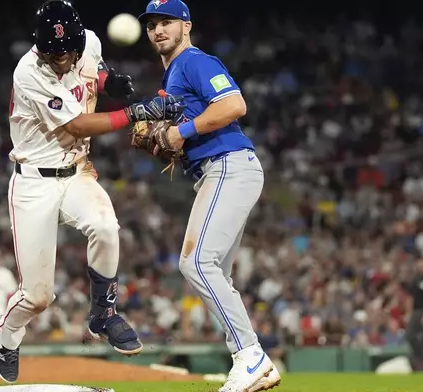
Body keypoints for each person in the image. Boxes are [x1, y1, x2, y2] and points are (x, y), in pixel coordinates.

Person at [0, 0, 186, 384]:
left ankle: (104, 313)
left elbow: (90, 74)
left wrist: (106, 82)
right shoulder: (28, 71)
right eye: (53, 53)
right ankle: (5, 336)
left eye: (68, 51)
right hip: (34, 181)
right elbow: (77, 125)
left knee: (106, 227)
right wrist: (135, 112)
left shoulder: (90, 43)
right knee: (37, 296)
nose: (62, 59)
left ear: (79, 40)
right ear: (39, 47)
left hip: (76, 171)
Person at [138, 0, 281, 391]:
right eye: (152, 24)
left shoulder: (194, 62)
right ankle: (256, 364)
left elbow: (234, 105)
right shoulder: (172, 79)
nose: (158, 30)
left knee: (196, 263)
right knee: (215, 271)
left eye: (167, 21)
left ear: (187, 26)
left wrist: (179, 134)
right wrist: (170, 142)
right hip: (217, 170)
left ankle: (250, 355)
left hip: (229, 165)